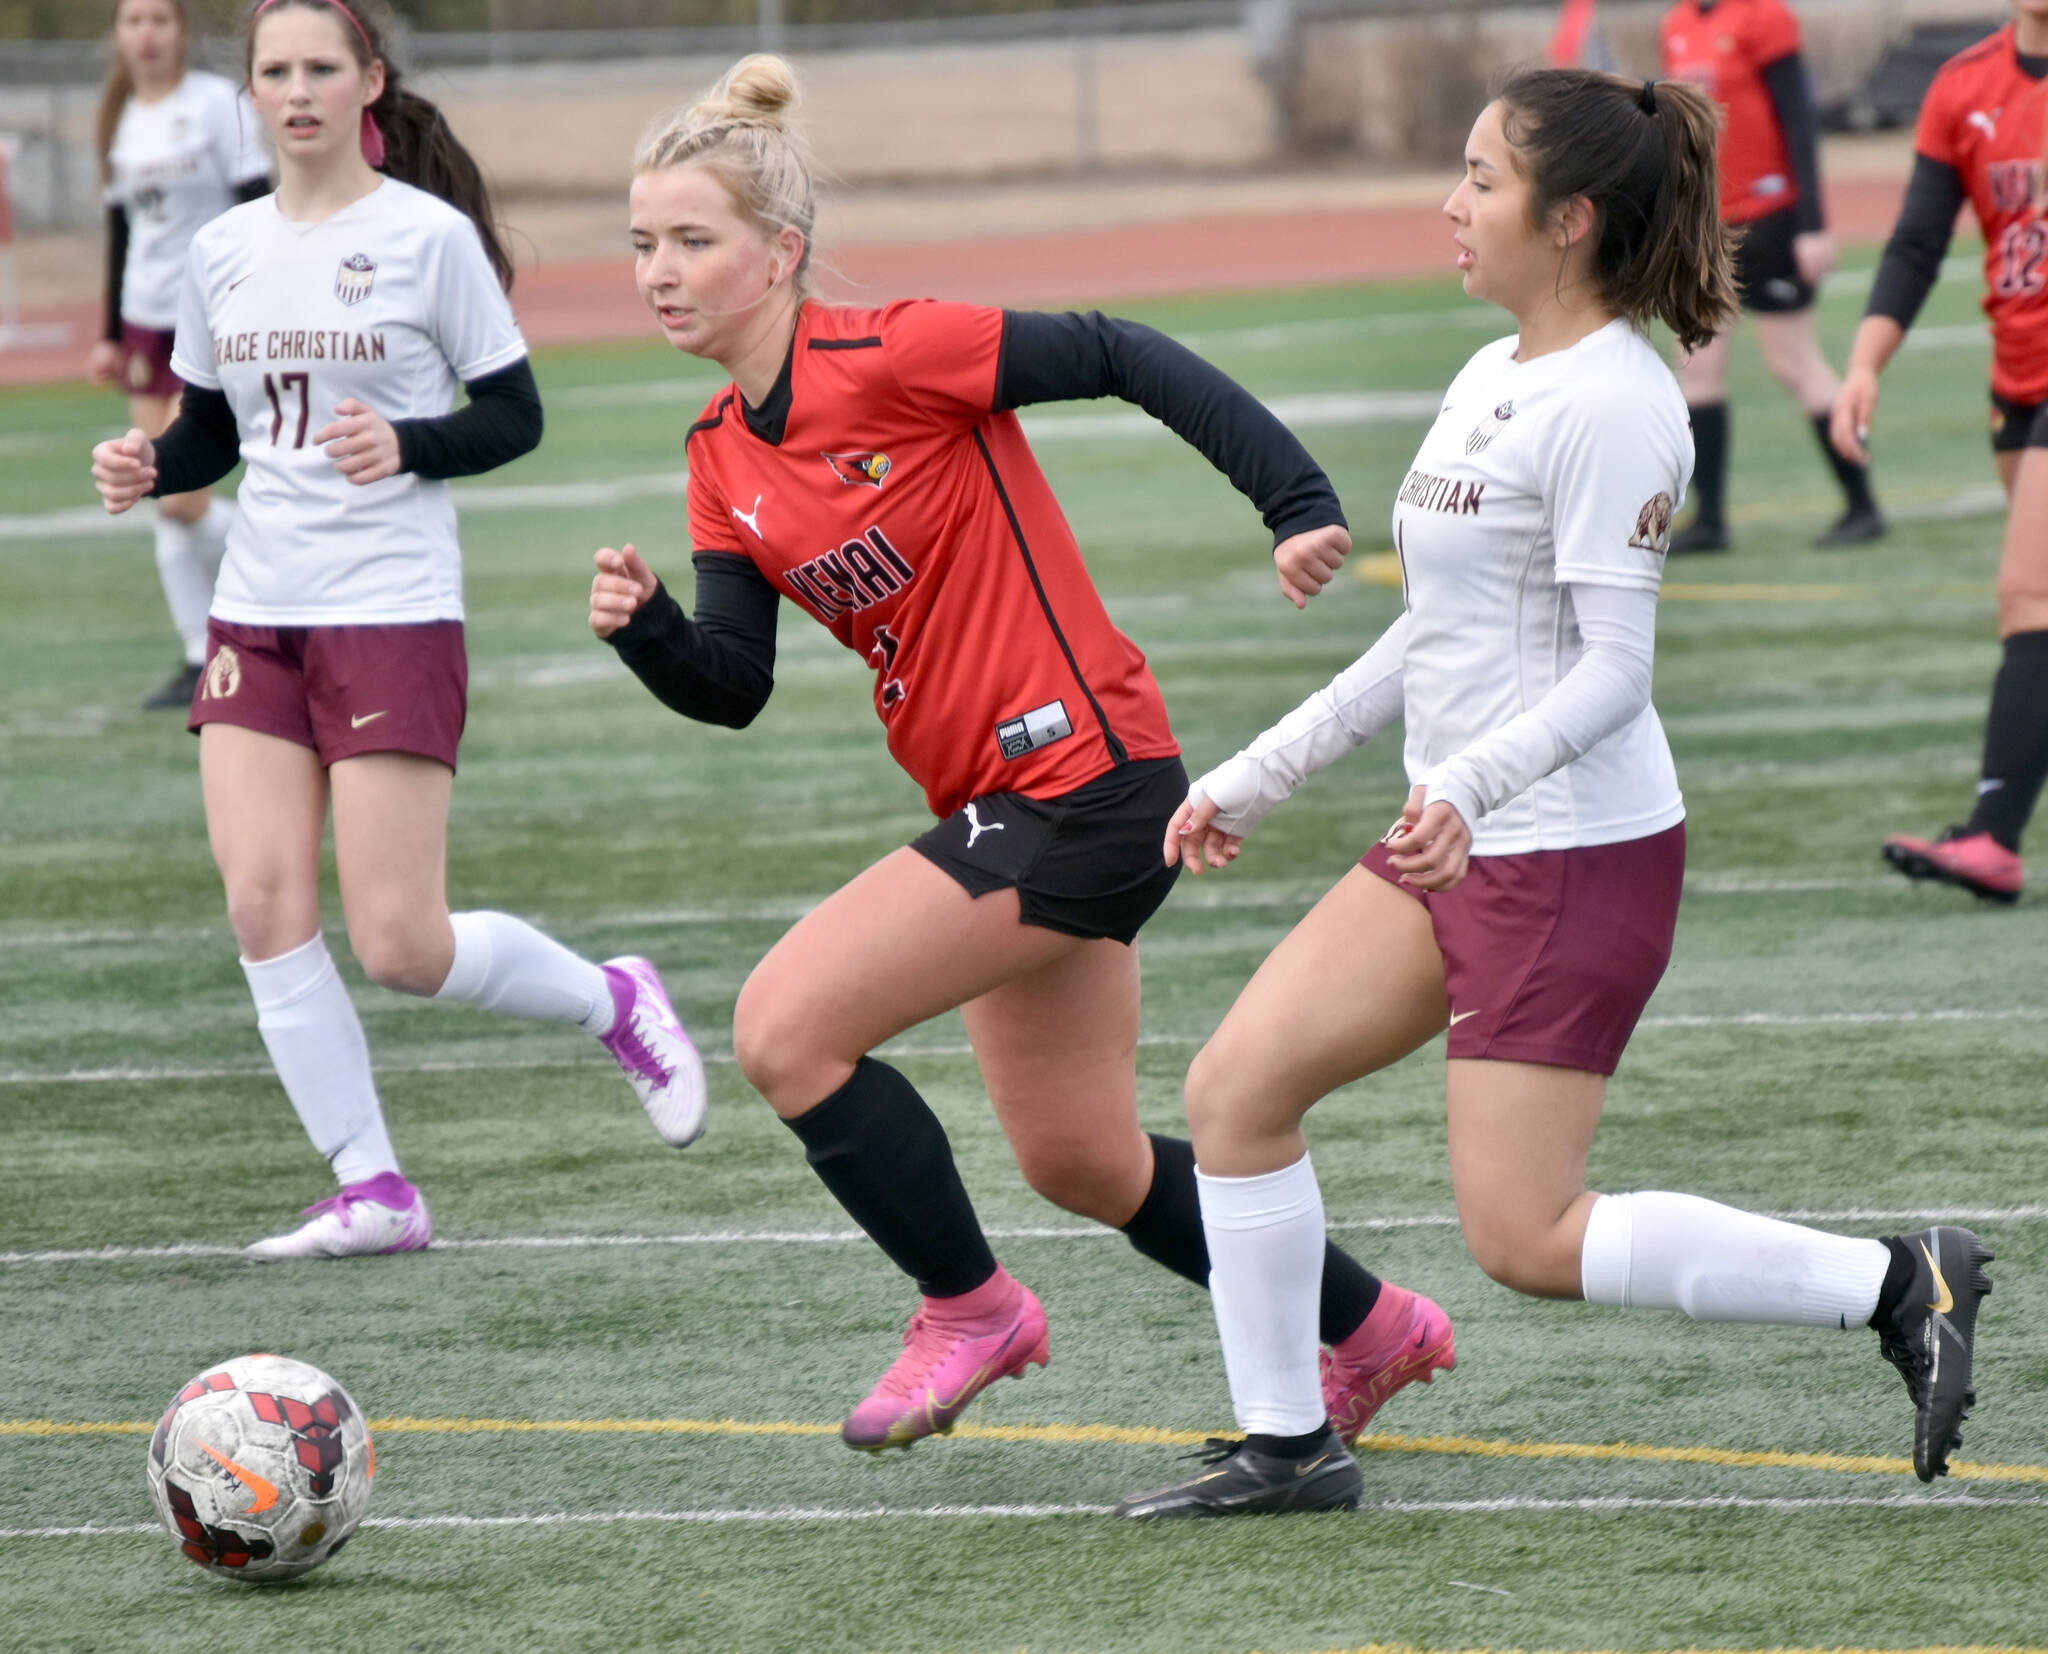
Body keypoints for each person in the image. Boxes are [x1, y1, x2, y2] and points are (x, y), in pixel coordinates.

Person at [1115, 68, 1990, 1521]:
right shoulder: (1491, 374)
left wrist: (1464, 782)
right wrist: (1254, 775)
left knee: (1525, 1234)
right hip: (1456, 838)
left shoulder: (1618, 402)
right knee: (1236, 1091)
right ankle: (1287, 1442)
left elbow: (1613, 674)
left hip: (1571, 853)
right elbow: (1433, 635)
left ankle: (1904, 1280)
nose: (1449, 205)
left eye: (1479, 179)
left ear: (1570, 216)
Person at [588, 54, 1454, 1454]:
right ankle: (1368, 1326)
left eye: (694, 240)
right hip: (1009, 806)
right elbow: (733, 685)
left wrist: (1293, 499)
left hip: (1090, 785)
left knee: (785, 1027)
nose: (660, 271)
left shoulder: (895, 352)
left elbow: (1118, 349)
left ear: (781, 253)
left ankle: (969, 1307)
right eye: (642, 244)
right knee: (1080, 1157)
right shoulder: (716, 457)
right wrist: (647, 633)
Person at [88, 0, 706, 1262]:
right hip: (257, 613)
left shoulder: (427, 241)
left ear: (369, 82)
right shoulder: (223, 248)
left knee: (401, 943)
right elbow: (216, 431)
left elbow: (515, 415)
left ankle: (613, 997)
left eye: (323, 66)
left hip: (390, 611)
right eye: (276, 70)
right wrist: (148, 465)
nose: (299, 89)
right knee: (262, 901)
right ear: (250, 93)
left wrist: (406, 444)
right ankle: (373, 1187)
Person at [1834, 0, 2048, 904]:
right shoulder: (1964, 87)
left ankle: (1993, 834)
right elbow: (1918, 243)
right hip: (2018, 382)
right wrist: (1864, 363)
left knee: (2030, 594)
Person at [88, 0, 271, 709]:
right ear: (119, 35)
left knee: (183, 498)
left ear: (181, 29)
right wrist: (109, 332)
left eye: (160, 18)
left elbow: (256, 200)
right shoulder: (120, 118)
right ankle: (202, 653)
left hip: (213, 318)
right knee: (159, 496)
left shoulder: (216, 105)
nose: (147, 33)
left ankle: (277, 565)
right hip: (143, 323)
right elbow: (123, 232)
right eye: (134, 21)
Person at [1660, 0, 1884, 553]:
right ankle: (1710, 521)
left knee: (1794, 362)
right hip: (1708, 225)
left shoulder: (1764, 16)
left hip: (1771, 218)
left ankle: (1863, 503)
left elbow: (1799, 120)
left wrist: (1812, 223)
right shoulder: (1679, 24)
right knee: (1697, 367)